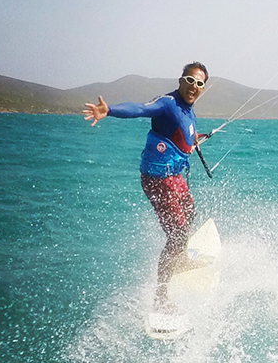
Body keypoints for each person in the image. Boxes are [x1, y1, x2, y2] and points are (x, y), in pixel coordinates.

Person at [83, 62, 209, 312]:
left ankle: (181, 259)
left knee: (190, 212)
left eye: (200, 83)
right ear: (181, 80)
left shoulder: (188, 109)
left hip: (173, 176)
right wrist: (109, 111)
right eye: (190, 80)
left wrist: (193, 140)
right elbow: (140, 109)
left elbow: (183, 132)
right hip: (158, 180)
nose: (194, 87)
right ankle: (161, 297)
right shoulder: (168, 104)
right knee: (176, 236)